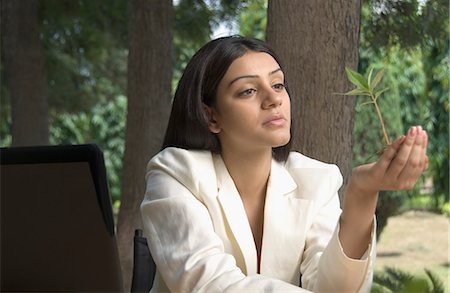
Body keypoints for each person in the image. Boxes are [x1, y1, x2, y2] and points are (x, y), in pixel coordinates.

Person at [140, 36, 428, 292]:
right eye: (248, 91)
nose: (273, 99)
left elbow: (336, 289)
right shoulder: (176, 173)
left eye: (277, 84)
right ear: (211, 116)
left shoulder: (316, 179)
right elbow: (210, 285)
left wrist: (363, 194)